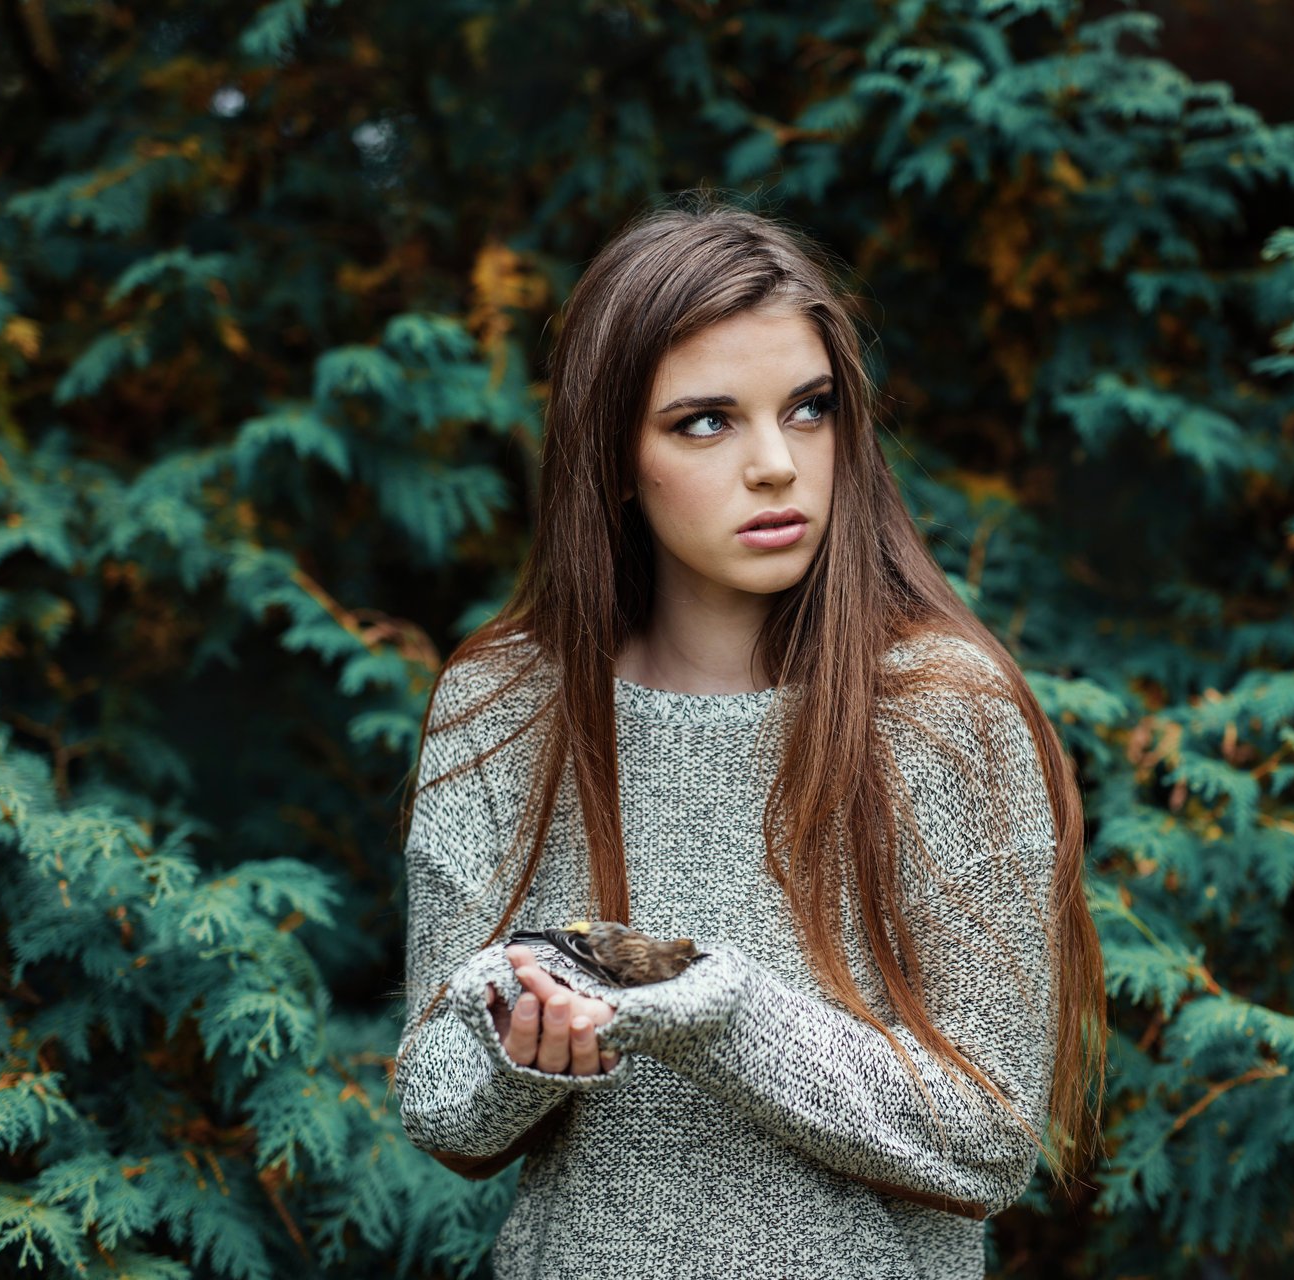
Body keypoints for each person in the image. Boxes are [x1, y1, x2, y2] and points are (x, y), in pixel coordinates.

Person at [391, 192, 1106, 1279]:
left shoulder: (942, 709)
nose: (777, 462)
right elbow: (440, 1105)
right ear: (613, 455)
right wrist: (522, 1043)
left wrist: (721, 1013)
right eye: (707, 420)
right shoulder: (504, 703)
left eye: (809, 408)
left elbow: (991, 1137)